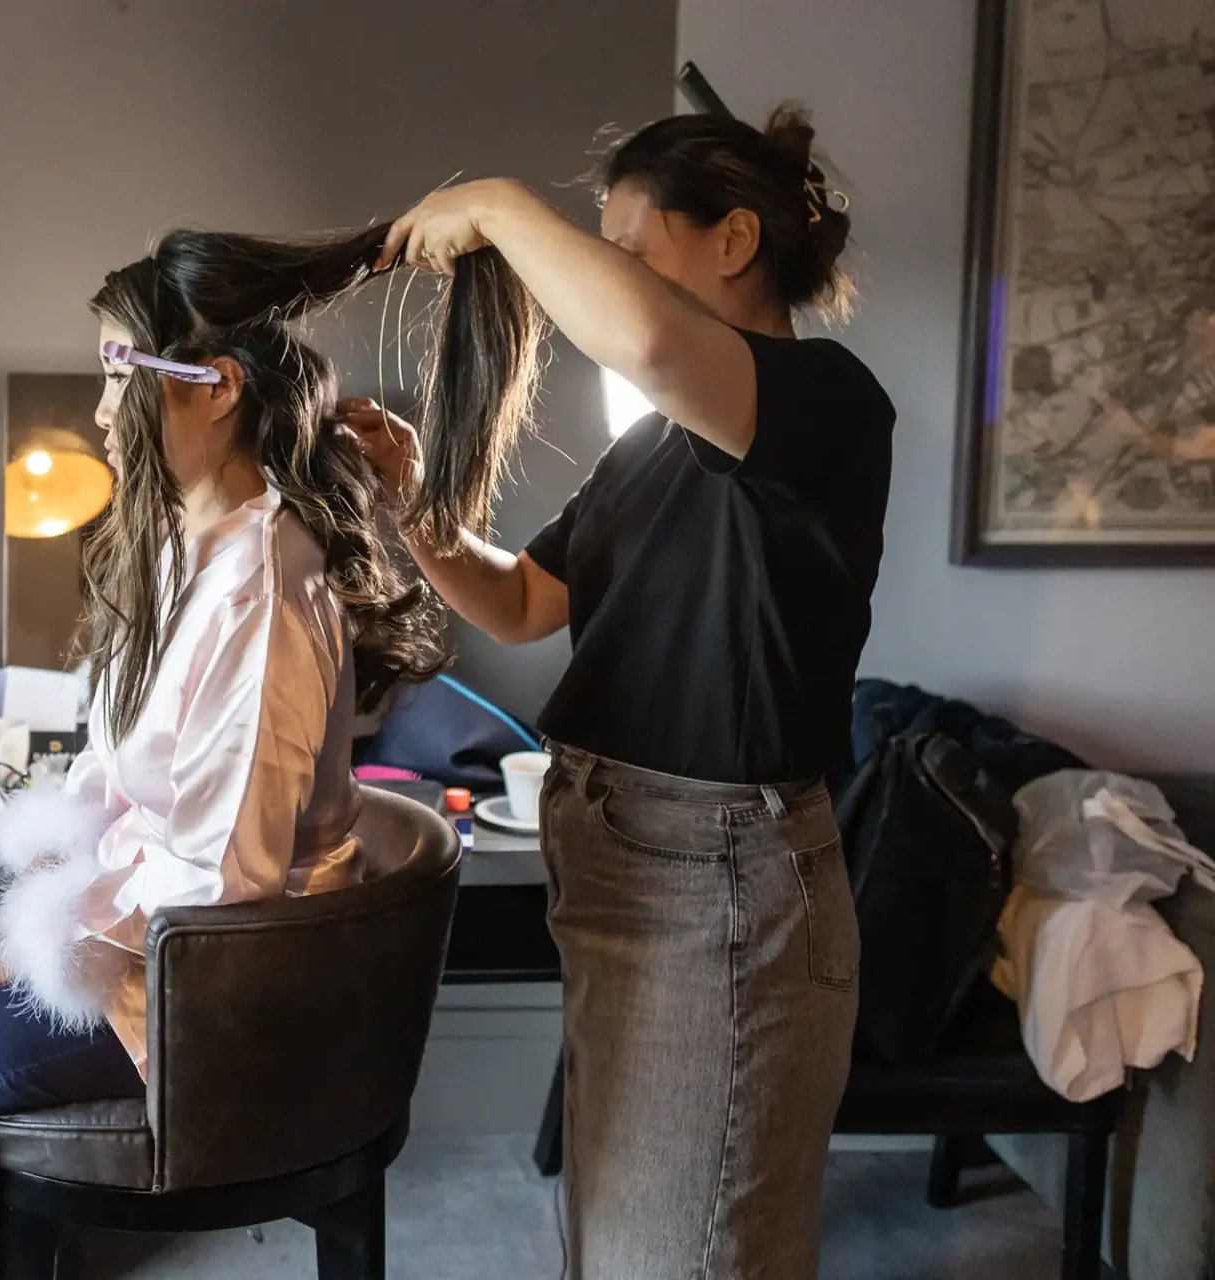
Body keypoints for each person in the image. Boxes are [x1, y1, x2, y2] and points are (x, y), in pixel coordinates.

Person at [0, 226, 487, 1280]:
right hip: (155, 929)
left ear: (215, 388)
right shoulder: (188, 544)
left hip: (216, 983)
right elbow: (124, 771)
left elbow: (225, 874)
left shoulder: (263, 590)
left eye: (114, 375)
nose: (97, 414)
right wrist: (26, 900)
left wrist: (38, 929)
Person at [336, 106, 895, 1279]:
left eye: (631, 247)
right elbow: (525, 603)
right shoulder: (651, 449)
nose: (604, 276)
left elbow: (644, 344)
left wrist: (492, 198)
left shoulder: (827, 400)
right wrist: (406, 499)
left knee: (684, 1247)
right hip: (618, 859)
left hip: (720, 882)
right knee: (624, 1228)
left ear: (734, 239)